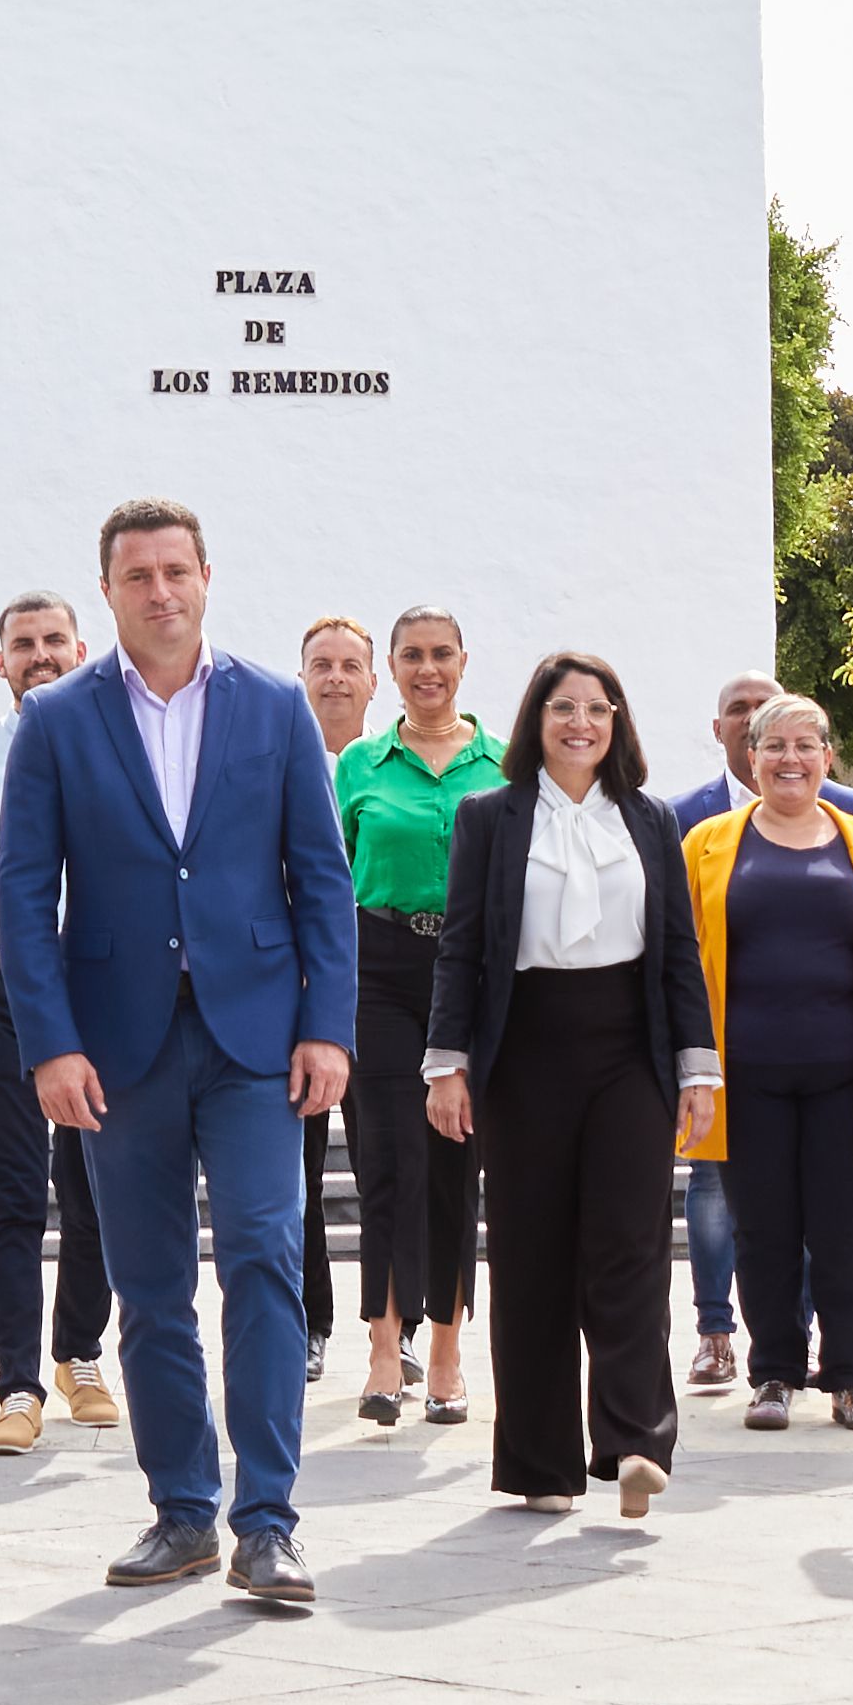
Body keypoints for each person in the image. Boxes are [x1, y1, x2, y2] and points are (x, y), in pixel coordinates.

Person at [0, 497, 355, 1607]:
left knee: (262, 1257)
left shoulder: (276, 706)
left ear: (208, 576)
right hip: (119, 1047)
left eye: (176, 571)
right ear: (107, 590)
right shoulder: (56, 718)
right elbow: (22, 888)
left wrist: (327, 1025)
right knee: (149, 1286)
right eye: (137, 575)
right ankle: (185, 1510)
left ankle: (268, 1523)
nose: (160, 591)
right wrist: (50, 1043)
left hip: (255, 1037)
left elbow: (322, 881)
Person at [424, 650, 716, 1519]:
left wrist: (697, 1069)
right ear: (535, 720)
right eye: (562, 708)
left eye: (596, 708)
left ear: (616, 722)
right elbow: (462, 949)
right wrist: (447, 1065)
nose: (579, 723)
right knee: (529, 1254)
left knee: (628, 1246)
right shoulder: (489, 817)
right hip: (524, 1053)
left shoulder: (649, 819)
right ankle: (538, 1464)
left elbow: (677, 955)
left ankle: (633, 1442)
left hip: (630, 1052)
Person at [681, 693, 853, 1433]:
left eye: (805, 745)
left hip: (851, 1073)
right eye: (773, 746)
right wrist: (687, 1066)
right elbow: (678, 962)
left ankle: (849, 1377)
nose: (789, 760)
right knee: (764, 1231)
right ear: (750, 758)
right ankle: (773, 1372)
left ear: (827, 758)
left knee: (847, 1233)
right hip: (745, 1074)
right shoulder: (707, 846)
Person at [0, 589, 117, 1453]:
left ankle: (79, 1353)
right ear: (3, 662)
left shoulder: (112, 749)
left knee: (93, 1190)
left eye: (54, 640)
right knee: (11, 1195)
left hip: (94, 989)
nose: (39, 655)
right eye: (23, 644)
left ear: (81, 647)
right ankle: (17, 1384)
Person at [333, 603, 494, 1428]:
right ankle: (380, 1344)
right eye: (410, 657)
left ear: (463, 662)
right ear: (388, 669)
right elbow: (327, 881)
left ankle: (445, 1348)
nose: (426, 669)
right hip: (379, 970)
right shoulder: (360, 764)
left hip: (469, 974)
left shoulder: (503, 764)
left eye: (440, 654)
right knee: (386, 1163)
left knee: (451, 1168)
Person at [288, 615, 371, 1379]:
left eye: (350, 664)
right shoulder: (279, 760)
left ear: (372, 682)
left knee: (387, 1166)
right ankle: (311, 1323)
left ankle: (396, 1324)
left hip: (383, 988)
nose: (336, 677)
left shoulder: (386, 769)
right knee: (301, 1175)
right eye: (322, 664)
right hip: (300, 999)